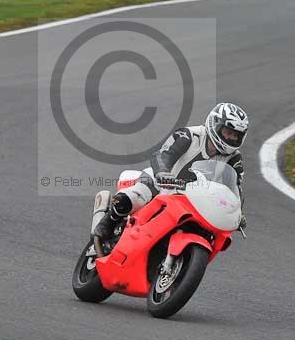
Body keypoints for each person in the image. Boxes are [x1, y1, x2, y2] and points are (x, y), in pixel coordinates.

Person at [93, 102, 249, 240]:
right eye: (228, 132)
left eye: (236, 136)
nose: (231, 138)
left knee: (211, 234)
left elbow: (235, 187)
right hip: (163, 183)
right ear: (215, 125)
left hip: (195, 199)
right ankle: (107, 222)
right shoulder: (190, 135)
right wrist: (162, 172)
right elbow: (164, 154)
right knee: (131, 199)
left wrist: (237, 213)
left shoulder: (234, 158)